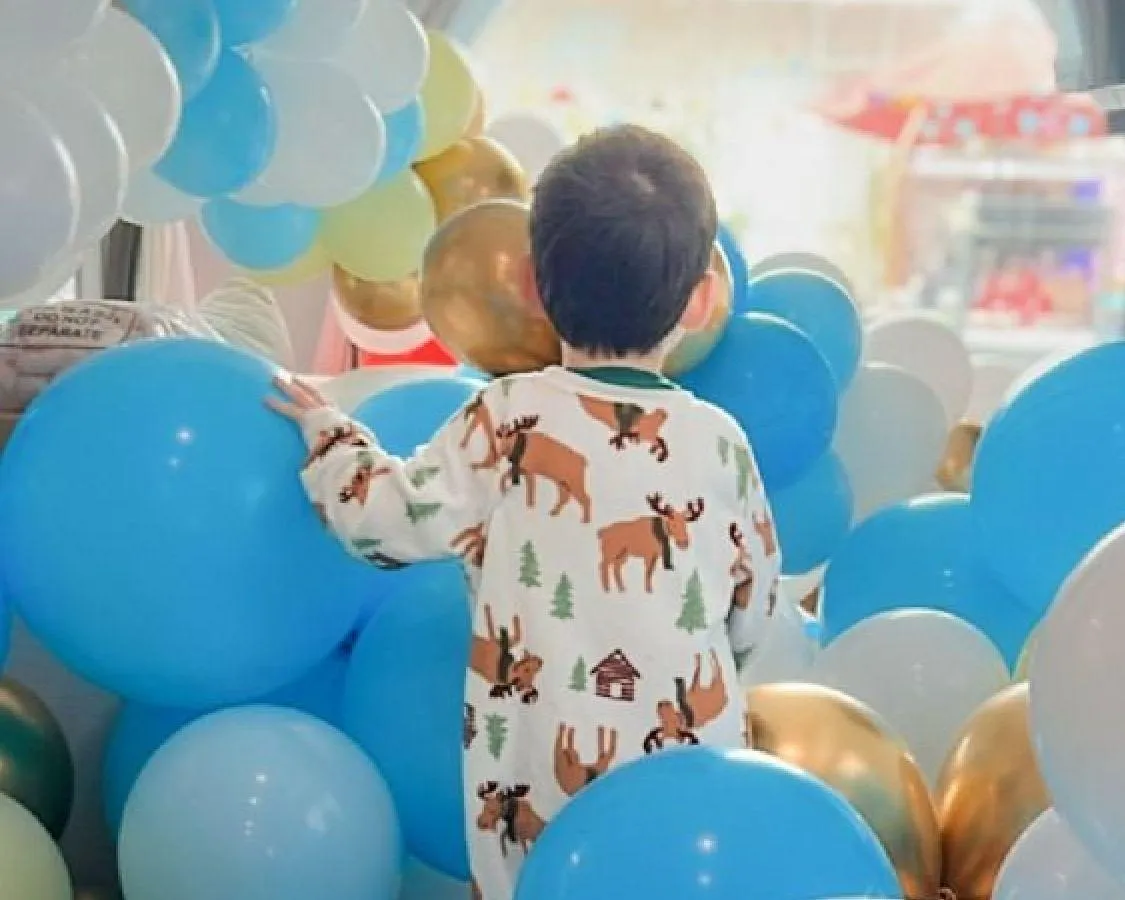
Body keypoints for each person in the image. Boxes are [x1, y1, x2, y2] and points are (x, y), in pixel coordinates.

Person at [269, 124, 782, 900]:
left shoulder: (508, 420)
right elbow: (752, 611)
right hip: (689, 807)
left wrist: (331, 438)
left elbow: (381, 522)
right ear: (701, 298)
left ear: (536, 285)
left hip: (535, 814)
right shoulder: (721, 444)